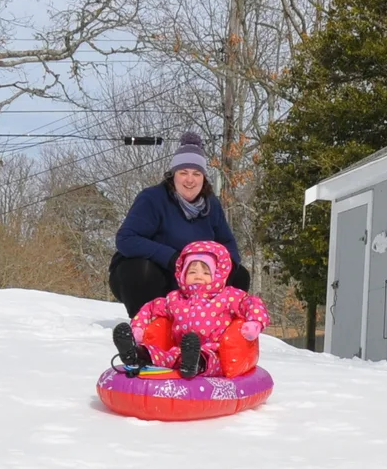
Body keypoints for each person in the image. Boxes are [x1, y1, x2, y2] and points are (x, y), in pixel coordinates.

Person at [110, 131, 249, 316]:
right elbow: (126, 239)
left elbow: (228, 243)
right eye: (183, 173)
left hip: (195, 278)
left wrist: (224, 268)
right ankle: (146, 328)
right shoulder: (153, 198)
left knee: (240, 274)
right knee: (142, 270)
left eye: (196, 174)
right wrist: (173, 258)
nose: (190, 180)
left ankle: (216, 330)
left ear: (203, 177)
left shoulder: (211, 204)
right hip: (154, 276)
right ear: (173, 175)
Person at [114, 242, 268, 377]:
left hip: (215, 352)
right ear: (182, 274)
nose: (199, 276)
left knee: (210, 361)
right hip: (180, 351)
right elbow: (150, 308)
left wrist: (255, 322)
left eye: (206, 272)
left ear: (218, 275)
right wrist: (139, 328)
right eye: (192, 272)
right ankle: (138, 354)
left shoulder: (228, 296)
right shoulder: (175, 298)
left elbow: (251, 302)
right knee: (164, 357)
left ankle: (195, 364)